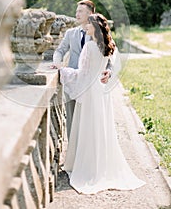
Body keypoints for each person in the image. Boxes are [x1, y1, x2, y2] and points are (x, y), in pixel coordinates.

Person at [59, 13, 146, 194]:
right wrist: (107, 73)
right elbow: (113, 66)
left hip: (90, 92)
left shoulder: (90, 46)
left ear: (95, 28)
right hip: (101, 91)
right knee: (101, 127)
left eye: (89, 25)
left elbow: (82, 74)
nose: (86, 28)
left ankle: (88, 167)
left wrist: (63, 71)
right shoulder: (108, 46)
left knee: (89, 127)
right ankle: (99, 165)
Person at [53, 0, 112, 139]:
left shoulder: (99, 35)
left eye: (80, 11)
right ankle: (72, 156)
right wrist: (57, 63)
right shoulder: (70, 33)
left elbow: (109, 55)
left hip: (92, 85)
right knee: (72, 119)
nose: (76, 14)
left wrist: (109, 71)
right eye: (76, 11)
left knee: (90, 121)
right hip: (73, 81)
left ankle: (87, 154)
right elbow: (59, 51)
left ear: (90, 13)